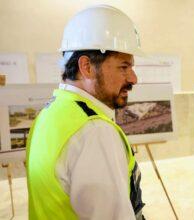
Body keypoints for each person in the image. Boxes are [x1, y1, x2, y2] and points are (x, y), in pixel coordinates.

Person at [26, 5, 145, 220]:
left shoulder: (49, 113)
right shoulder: (94, 132)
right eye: (124, 67)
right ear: (87, 67)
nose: (133, 78)